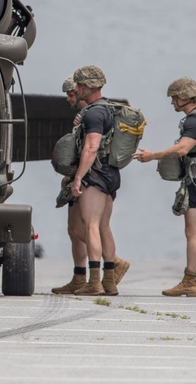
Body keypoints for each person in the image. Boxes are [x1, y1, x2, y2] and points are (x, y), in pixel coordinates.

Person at [133, 77, 196, 297]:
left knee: (193, 233)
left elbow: (182, 149)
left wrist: (153, 155)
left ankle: (189, 281)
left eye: (173, 97)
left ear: (183, 97)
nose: (172, 102)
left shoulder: (194, 121)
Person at [67, 65, 125, 296]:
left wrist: (78, 178)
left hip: (95, 175)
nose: (77, 88)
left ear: (89, 86)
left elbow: (91, 147)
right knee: (104, 227)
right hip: (110, 174)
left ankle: (94, 282)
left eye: (80, 85)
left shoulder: (93, 113)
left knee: (90, 227)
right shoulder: (109, 109)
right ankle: (109, 282)